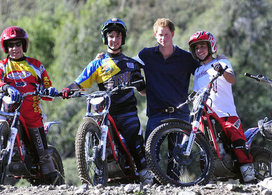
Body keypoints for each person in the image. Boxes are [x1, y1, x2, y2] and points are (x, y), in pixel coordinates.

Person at [60, 18, 153, 185]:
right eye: (111, 36)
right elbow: (79, 83)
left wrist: (143, 85)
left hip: (127, 112)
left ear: (122, 39)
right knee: (98, 140)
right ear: (105, 38)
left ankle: (145, 173)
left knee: (134, 139)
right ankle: (97, 173)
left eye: (118, 36)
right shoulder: (97, 63)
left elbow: (143, 91)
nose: (114, 39)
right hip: (105, 112)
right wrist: (67, 89)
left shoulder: (131, 64)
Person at [188, 30, 255, 184]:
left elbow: (231, 79)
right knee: (203, 146)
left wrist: (222, 70)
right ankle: (208, 177)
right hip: (206, 116)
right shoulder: (197, 71)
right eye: (196, 48)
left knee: (237, 140)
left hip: (226, 113)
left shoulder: (222, 62)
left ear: (211, 46)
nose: (200, 50)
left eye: (203, 46)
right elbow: (196, 92)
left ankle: (249, 175)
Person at [0, 26, 60, 184]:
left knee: (45, 162)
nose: (14, 49)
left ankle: (55, 181)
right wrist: (6, 87)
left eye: (18, 44)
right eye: (11, 45)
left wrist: (50, 91)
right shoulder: (2, 65)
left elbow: (47, 86)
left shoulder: (35, 65)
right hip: (8, 114)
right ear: (6, 47)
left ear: (24, 45)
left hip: (32, 115)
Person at [134, 18, 198, 141]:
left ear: (172, 34)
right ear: (155, 35)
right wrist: (141, 87)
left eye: (166, 35)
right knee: (150, 156)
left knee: (179, 157)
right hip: (156, 114)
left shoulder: (186, 57)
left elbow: (203, 72)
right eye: (160, 35)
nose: (163, 38)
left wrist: (217, 61)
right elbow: (128, 66)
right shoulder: (146, 55)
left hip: (181, 114)